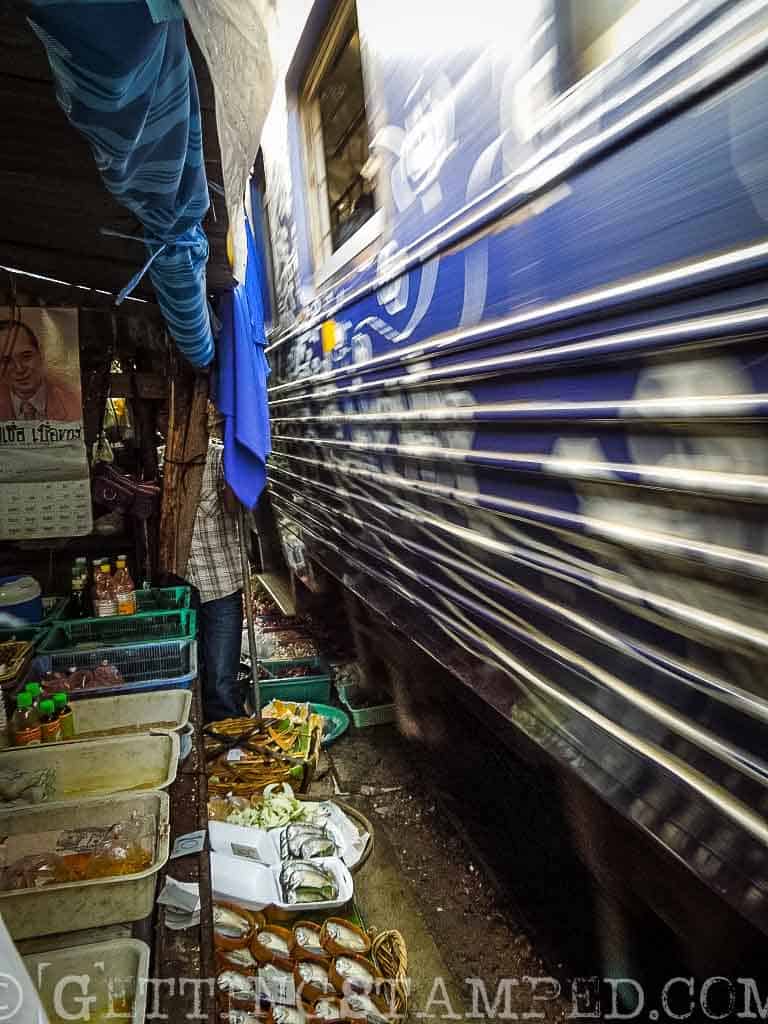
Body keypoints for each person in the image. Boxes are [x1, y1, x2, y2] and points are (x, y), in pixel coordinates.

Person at [186, 412, 245, 721]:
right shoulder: (157, 463)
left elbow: (236, 507)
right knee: (194, 674)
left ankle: (230, 748)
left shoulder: (221, 458)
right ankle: (203, 744)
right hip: (183, 589)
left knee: (222, 681)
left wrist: (237, 464)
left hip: (220, 586)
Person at [0, 319, 81, 421]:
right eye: (6, 361)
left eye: (26, 356)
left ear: (41, 354)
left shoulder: (73, 400)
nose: (19, 369)